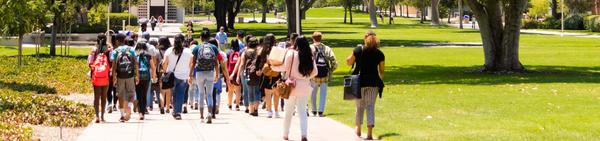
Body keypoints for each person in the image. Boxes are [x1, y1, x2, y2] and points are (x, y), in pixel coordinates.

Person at [271, 36, 318, 141]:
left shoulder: (291, 54)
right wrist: (305, 78)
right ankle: (304, 135)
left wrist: (273, 67)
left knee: (288, 112)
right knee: (302, 112)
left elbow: (284, 67)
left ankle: (286, 134)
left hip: (291, 86)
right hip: (304, 86)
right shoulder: (310, 56)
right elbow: (315, 72)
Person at [346, 31, 385, 140]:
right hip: (373, 83)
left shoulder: (358, 50)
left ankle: (358, 128)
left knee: (359, 106)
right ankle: (369, 133)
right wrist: (380, 81)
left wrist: (353, 52)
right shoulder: (380, 54)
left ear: (365, 39)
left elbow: (348, 62)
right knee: (370, 106)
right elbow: (381, 71)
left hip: (359, 82)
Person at [190, 31, 223, 123]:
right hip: (210, 72)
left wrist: (190, 74)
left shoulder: (197, 47)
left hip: (200, 72)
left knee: (201, 93)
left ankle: (201, 116)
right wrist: (217, 73)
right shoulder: (213, 47)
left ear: (201, 38)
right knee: (209, 94)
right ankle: (209, 113)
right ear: (209, 38)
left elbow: (193, 62)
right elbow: (216, 62)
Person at [162, 34, 194, 120]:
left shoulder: (169, 50)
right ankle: (177, 112)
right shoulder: (188, 51)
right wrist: (190, 74)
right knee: (180, 94)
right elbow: (191, 63)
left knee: (173, 93)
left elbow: (164, 63)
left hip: (171, 75)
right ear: (183, 41)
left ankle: (175, 110)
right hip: (183, 76)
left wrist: (164, 71)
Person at [111, 33, 139, 122]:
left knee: (120, 95)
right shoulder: (131, 49)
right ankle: (129, 107)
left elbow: (114, 65)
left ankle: (122, 115)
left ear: (117, 41)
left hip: (120, 76)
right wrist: (137, 75)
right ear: (125, 40)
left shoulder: (115, 51)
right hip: (130, 75)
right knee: (131, 93)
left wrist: (113, 78)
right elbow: (136, 62)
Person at [309, 32, 337, 117]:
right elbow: (334, 61)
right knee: (323, 93)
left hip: (314, 74)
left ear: (313, 38)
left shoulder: (310, 48)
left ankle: (313, 110)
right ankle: (321, 111)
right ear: (321, 38)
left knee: (313, 93)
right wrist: (331, 70)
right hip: (324, 74)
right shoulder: (326, 48)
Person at [234, 37, 261, 116]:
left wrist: (238, 75)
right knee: (256, 91)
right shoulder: (258, 52)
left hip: (247, 73)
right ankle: (256, 109)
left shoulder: (245, 52)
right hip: (256, 73)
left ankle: (251, 110)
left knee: (250, 91)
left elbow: (242, 64)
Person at [88, 33, 111, 123]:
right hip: (106, 75)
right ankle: (102, 116)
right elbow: (112, 60)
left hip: (96, 76)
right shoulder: (109, 49)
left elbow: (90, 62)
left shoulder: (94, 49)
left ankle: (97, 116)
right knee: (104, 96)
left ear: (97, 39)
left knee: (96, 96)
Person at [258, 34, 281, 118]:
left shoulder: (263, 50)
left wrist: (260, 69)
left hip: (267, 73)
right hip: (276, 73)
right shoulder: (277, 50)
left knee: (267, 93)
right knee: (276, 93)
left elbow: (260, 61)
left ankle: (269, 111)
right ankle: (276, 111)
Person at [207, 38, 230, 116]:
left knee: (209, 93)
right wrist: (227, 78)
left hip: (207, 74)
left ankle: (210, 108)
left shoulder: (207, 52)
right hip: (218, 75)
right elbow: (224, 68)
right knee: (217, 92)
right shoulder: (222, 54)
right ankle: (217, 106)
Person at [134, 42, 157, 120]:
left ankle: (140, 111)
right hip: (146, 77)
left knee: (138, 94)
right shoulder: (148, 56)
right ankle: (143, 112)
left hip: (137, 77)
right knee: (144, 95)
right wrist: (154, 77)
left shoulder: (135, 55)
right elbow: (153, 67)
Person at [227, 39, 242, 111]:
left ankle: (229, 104)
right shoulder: (240, 53)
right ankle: (237, 105)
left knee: (230, 90)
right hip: (237, 72)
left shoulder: (229, 52)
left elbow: (226, 63)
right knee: (238, 89)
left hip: (230, 72)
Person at [158, 36, 172, 114]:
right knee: (168, 91)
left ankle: (162, 107)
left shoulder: (158, 51)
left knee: (162, 92)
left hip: (161, 72)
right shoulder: (170, 50)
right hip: (169, 73)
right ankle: (167, 107)